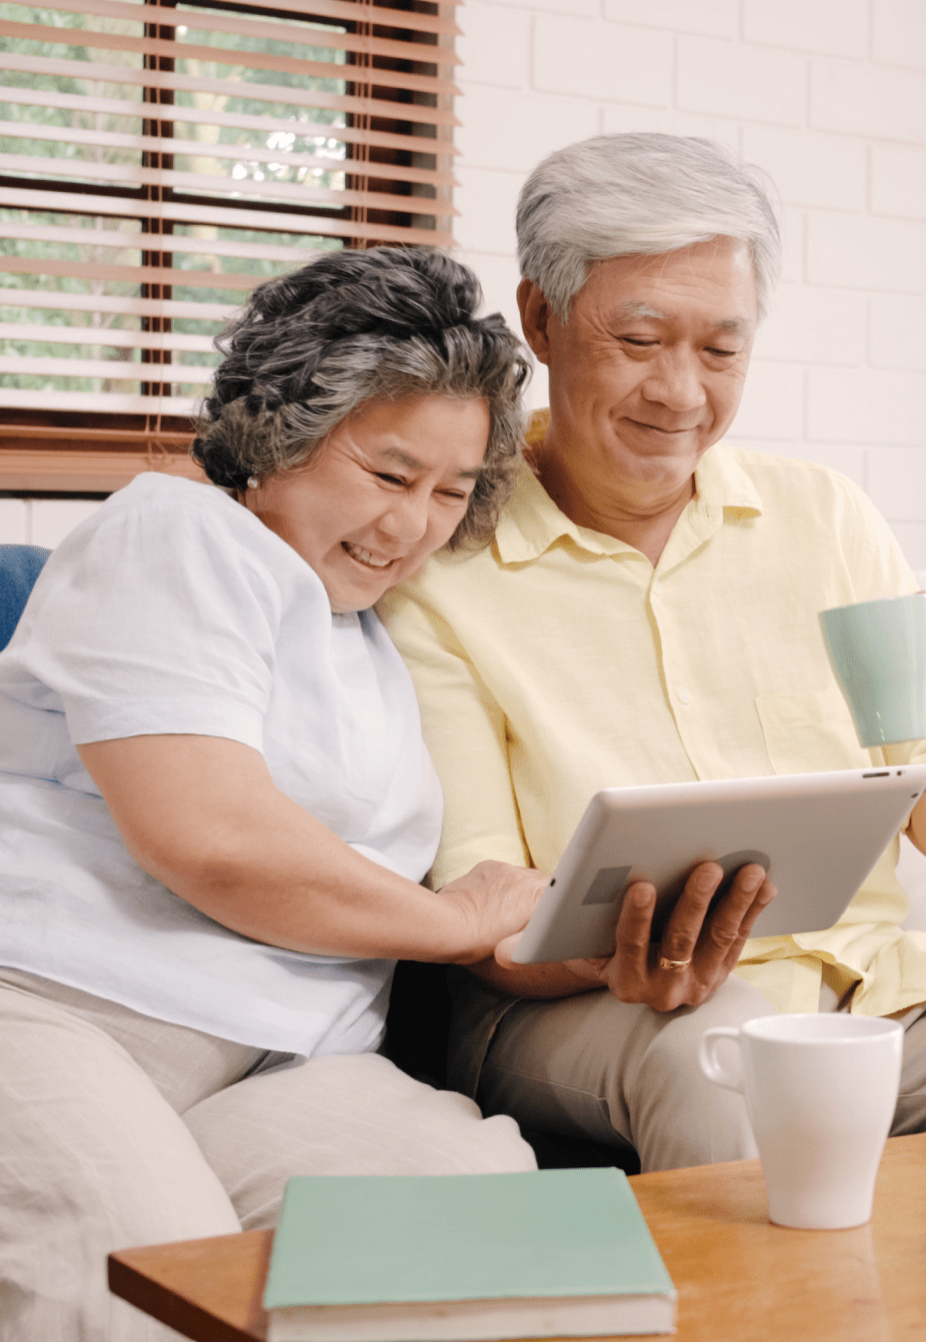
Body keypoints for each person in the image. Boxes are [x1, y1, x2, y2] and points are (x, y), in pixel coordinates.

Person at [0, 246, 546, 1342]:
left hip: (287, 1058)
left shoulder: (373, 632)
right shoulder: (178, 532)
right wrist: (450, 922)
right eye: (388, 476)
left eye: (451, 491)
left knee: (506, 1247)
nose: (414, 527)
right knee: (146, 1292)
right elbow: (210, 838)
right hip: (55, 1007)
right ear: (282, 430)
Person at [379, 134, 926, 1174]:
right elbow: (482, 907)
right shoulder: (444, 566)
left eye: (721, 351)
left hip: (869, 985)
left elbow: (921, 805)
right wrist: (618, 948)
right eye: (639, 339)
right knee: (714, 1053)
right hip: (588, 1007)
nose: (682, 393)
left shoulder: (829, 520)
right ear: (541, 320)